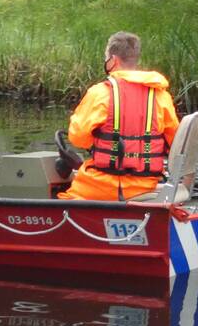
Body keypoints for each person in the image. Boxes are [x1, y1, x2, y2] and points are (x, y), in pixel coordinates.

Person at [59, 31, 179, 202]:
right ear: (135, 59)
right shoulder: (161, 96)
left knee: (63, 198)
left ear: (113, 60)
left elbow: (78, 138)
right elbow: (174, 142)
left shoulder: (100, 93)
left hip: (101, 186)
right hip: (146, 185)